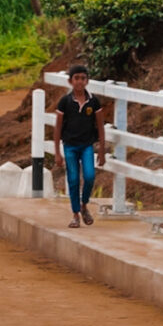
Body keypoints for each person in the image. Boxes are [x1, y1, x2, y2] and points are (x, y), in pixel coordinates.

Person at [54, 65, 107, 228]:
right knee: (73, 179)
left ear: (87, 80)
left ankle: (84, 205)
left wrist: (102, 150)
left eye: (83, 78)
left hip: (87, 146)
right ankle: (75, 213)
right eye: (76, 78)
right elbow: (58, 127)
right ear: (71, 81)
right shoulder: (65, 102)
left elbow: (100, 125)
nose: (80, 81)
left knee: (90, 176)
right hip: (70, 146)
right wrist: (57, 152)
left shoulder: (93, 101)